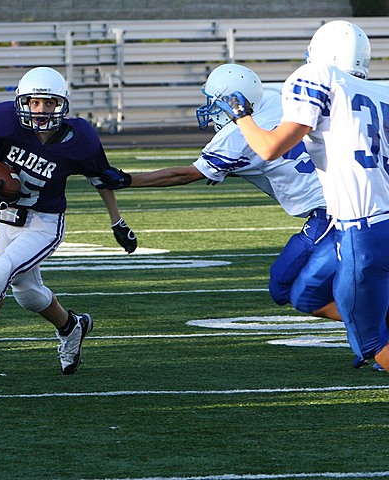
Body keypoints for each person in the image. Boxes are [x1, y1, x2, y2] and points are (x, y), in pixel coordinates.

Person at [0, 66, 137, 376]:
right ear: (21, 102)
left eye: (48, 103)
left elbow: (101, 180)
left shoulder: (80, 139)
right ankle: (71, 327)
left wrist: (117, 222)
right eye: (34, 102)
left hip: (44, 222)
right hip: (6, 220)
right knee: (26, 293)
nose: (40, 110)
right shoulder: (1, 123)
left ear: (61, 104)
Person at [99, 64, 339, 321]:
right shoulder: (273, 97)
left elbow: (184, 175)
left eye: (215, 103)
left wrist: (127, 180)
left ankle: (376, 334)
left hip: (330, 212)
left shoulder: (234, 137)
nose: (211, 109)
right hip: (342, 197)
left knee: (285, 287)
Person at [214, 20, 389, 372]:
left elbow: (268, 148)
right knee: (319, 296)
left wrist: (241, 117)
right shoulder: (381, 92)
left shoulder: (319, 76)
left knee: (373, 343)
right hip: (375, 220)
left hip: (363, 229)